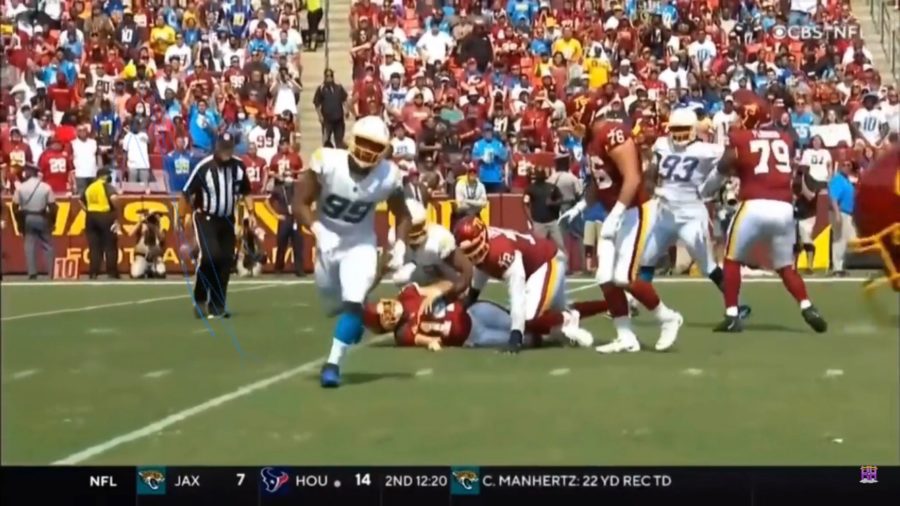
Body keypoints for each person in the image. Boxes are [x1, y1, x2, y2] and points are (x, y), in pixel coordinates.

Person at [292, 115, 413, 388]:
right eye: (364, 143)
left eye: (375, 146)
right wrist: (318, 230)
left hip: (360, 243)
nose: (368, 151)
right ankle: (355, 322)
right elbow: (300, 203)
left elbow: (402, 215)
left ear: (384, 151)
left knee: (354, 301)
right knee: (333, 306)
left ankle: (332, 364)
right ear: (352, 140)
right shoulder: (327, 161)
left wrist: (401, 245)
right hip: (328, 242)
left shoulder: (388, 175)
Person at [558, 114, 684, 354]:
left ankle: (668, 318)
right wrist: (581, 206)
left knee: (623, 277)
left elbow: (633, 178)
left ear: (589, 117)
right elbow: (600, 181)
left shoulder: (613, 134)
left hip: (635, 211)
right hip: (616, 212)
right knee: (605, 277)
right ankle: (625, 336)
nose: (570, 129)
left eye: (574, 122)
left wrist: (615, 215)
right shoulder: (591, 140)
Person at [706, 93, 827, 333]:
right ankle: (807, 306)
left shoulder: (740, 138)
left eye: (742, 114)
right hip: (783, 207)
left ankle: (732, 314)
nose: (738, 119)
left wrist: (706, 189)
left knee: (731, 260)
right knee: (785, 266)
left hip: (754, 204)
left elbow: (724, 166)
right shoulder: (784, 138)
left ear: (751, 116)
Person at [638, 108, 751, 318]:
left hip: (691, 214)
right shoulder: (662, 144)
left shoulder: (706, 150)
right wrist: (650, 183)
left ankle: (735, 304)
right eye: (676, 129)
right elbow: (652, 171)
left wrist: (723, 182)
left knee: (708, 266)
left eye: (683, 129)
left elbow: (731, 156)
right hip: (664, 213)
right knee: (646, 260)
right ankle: (635, 303)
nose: (679, 134)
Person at [453, 216, 597, 352]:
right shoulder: (488, 248)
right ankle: (563, 325)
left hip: (546, 262)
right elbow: (482, 267)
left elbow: (517, 295)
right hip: (533, 268)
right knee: (546, 317)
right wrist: (471, 297)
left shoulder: (502, 252)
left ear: (483, 238)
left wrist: (516, 335)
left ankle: (568, 318)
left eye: (475, 247)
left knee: (527, 318)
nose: (473, 254)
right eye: (468, 251)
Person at [179, 132, 256, 319]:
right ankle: (200, 299)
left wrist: (251, 213)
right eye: (223, 149)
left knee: (225, 261)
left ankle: (218, 306)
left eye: (229, 149)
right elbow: (185, 193)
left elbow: (246, 192)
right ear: (216, 148)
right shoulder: (204, 167)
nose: (226, 154)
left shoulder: (238, 167)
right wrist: (183, 217)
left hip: (227, 219)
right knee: (210, 256)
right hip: (206, 217)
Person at [12, 165, 56, 280]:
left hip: (28, 217)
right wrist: (52, 221)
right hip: (42, 216)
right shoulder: (46, 187)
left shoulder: (21, 188)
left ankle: (32, 272)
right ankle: (51, 272)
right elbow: (53, 206)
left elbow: (15, 206)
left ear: (27, 174)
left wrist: (19, 222)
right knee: (48, 245)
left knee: (29, 245)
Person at [82, 168, 120, 279]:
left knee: (94, 247)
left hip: (90, 217)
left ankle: (93, 272)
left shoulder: (90, 187)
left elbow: (80, 200)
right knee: (110, 246)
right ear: (104, 176)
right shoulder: (106, 186)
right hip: (105, 216)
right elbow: (114, 198)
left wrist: (88, 210)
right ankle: (112, 272)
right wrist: (117, 208)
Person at [524, 167, 566, 257]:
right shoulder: (530, 189)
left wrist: (553, 203)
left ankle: (565, 266)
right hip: (539, 223)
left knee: (561, 246)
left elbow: (561, 199)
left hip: (552, 222)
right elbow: (526, 204)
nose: (539, 176)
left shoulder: (551, 187)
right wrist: (531, 219)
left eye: (540, 174)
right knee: (538, 248)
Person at [828, 159, 858, 277]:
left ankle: (840, 265)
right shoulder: (838, 180)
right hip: (840, 212)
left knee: (850, 240)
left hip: (847, 213)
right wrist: (837, 214)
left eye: (848, 165)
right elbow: (833, 197)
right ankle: (837, 268)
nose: (846, 166)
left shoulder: (847, 181)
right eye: (844, 165)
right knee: (840, 239)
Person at [313, 68, 350, 148]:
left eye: (331, 76)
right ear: (325, 77)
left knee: (339, 141)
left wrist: (347, 110)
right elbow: (317, 104)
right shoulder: (321, 89)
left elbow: (344, 100)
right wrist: (320, 116)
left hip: (339, 120)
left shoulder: (339, 88)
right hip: (327, 121)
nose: (329, 78)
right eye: (327, 76)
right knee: (326, 141)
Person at [130, 211, 166, 279]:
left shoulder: (159, 230)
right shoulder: (141, 229)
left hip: (155, 259)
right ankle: (144, 270)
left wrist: (155, 227)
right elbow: (130, 233)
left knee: (161, 273)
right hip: (142, 257)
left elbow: (162, 238)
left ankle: (152, 271)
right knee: (136, 274)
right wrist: (140, 222)